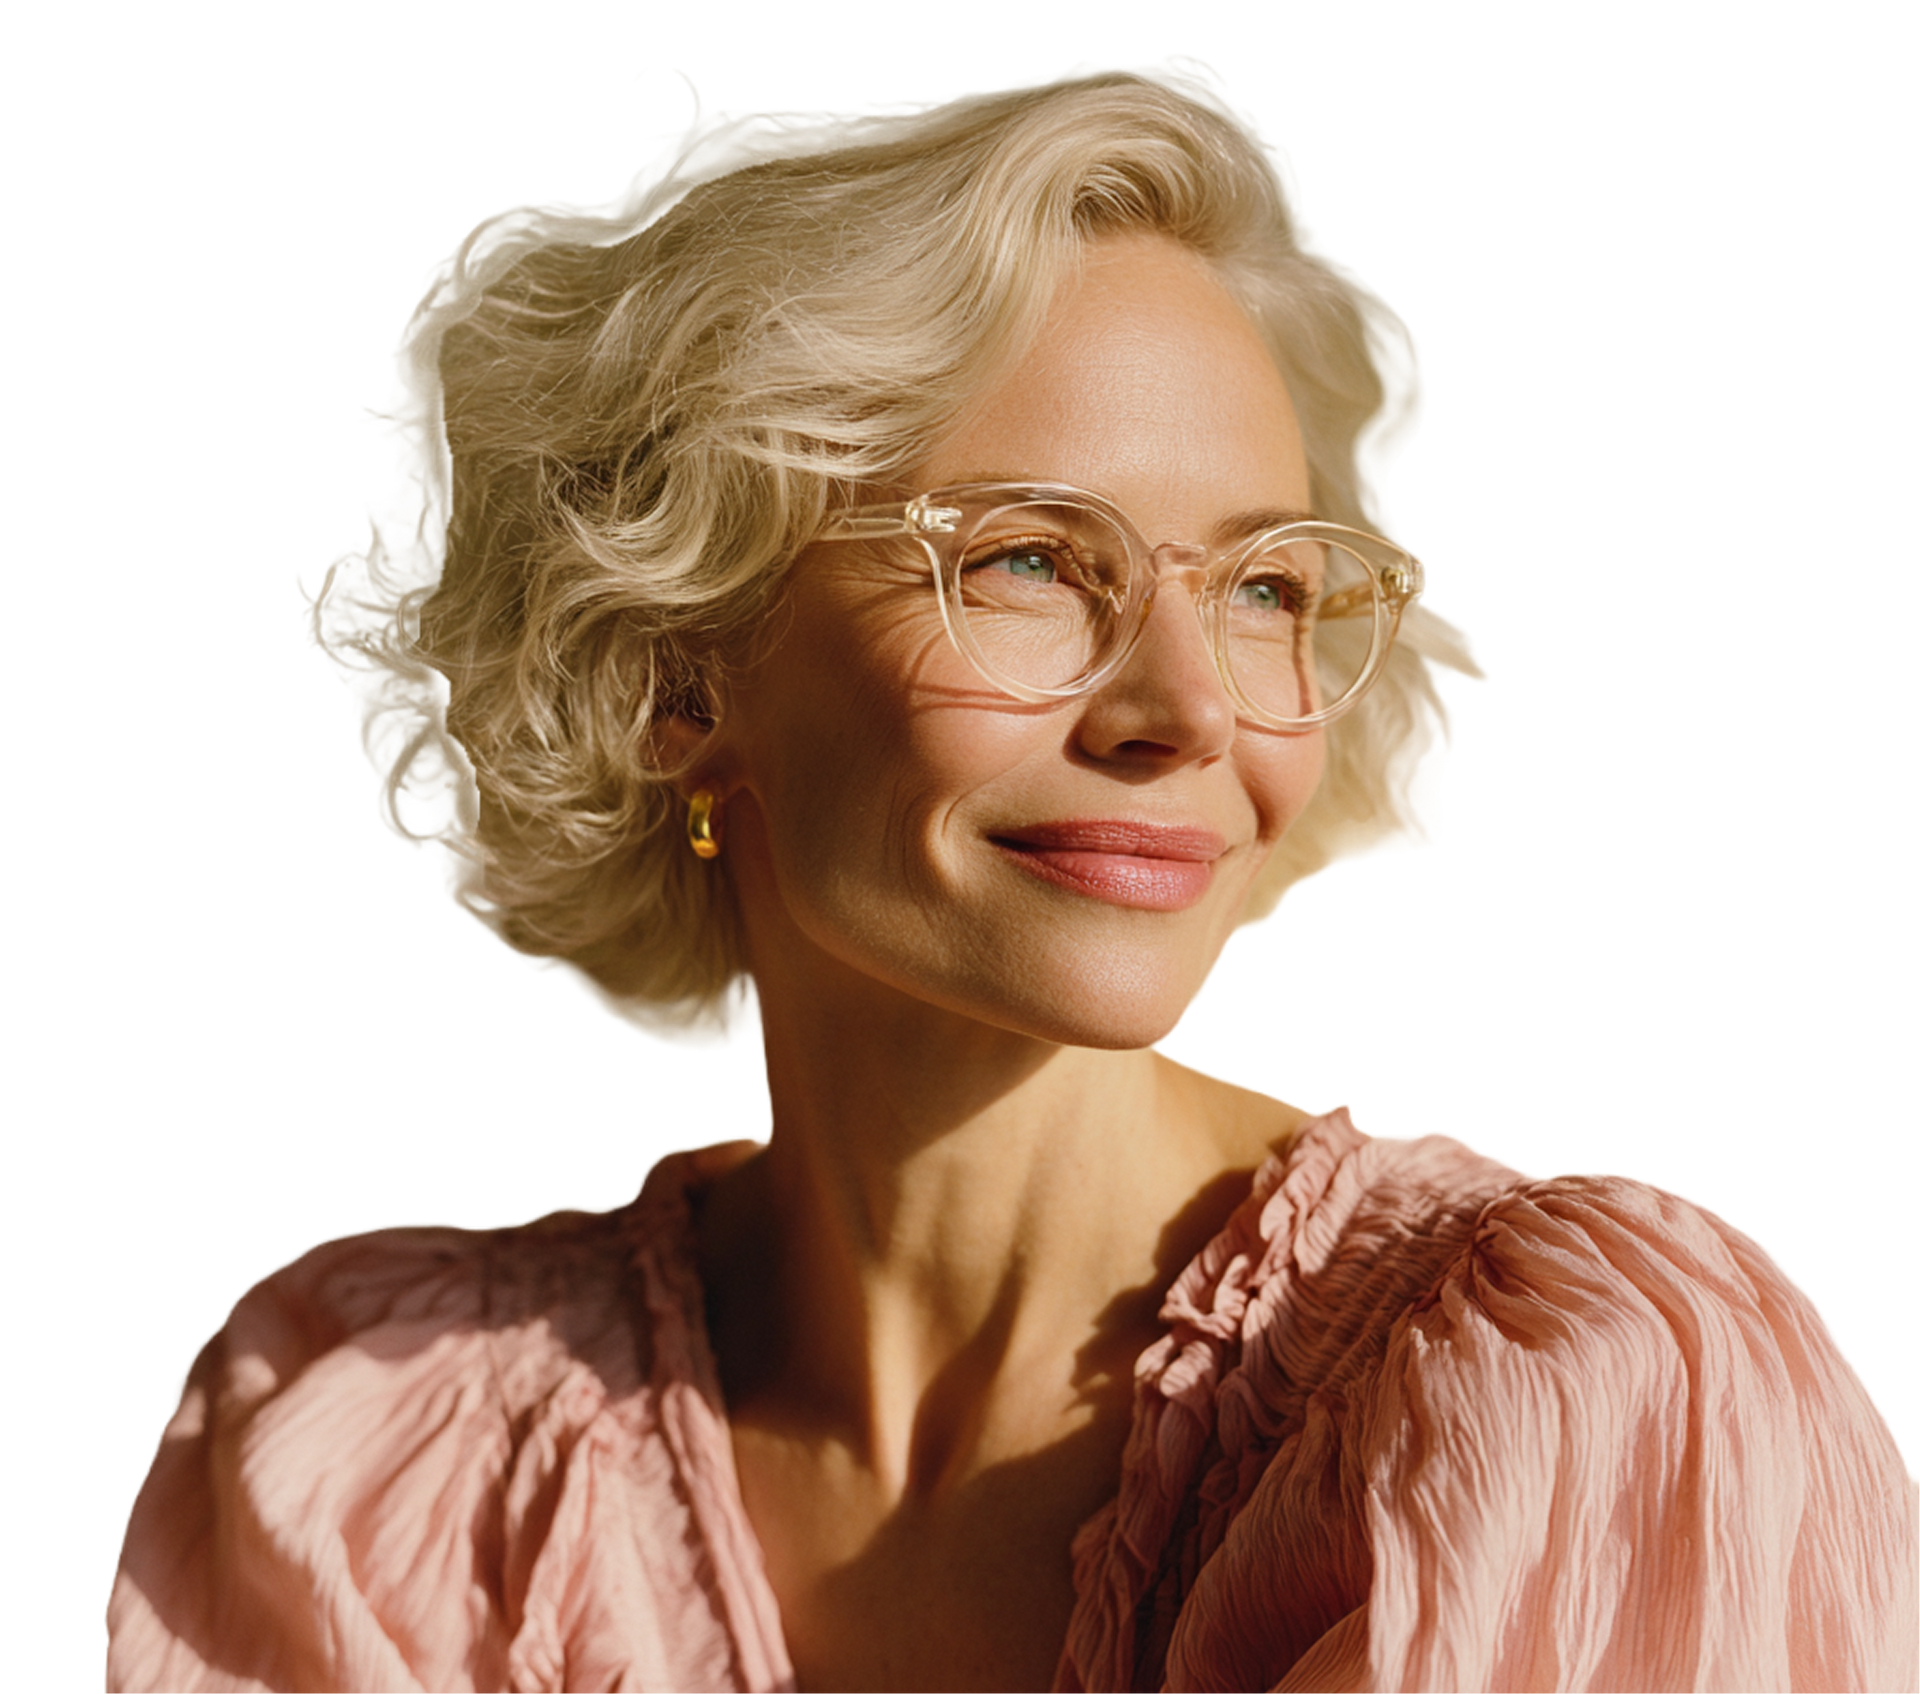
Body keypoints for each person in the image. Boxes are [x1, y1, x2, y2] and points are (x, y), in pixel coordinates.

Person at [105, 55, 1916, 1693]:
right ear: (667, 663)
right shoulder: (375, 1450)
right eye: (1035, 561)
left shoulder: (1579, 1407)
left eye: (1265, 584)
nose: (1189, 707)